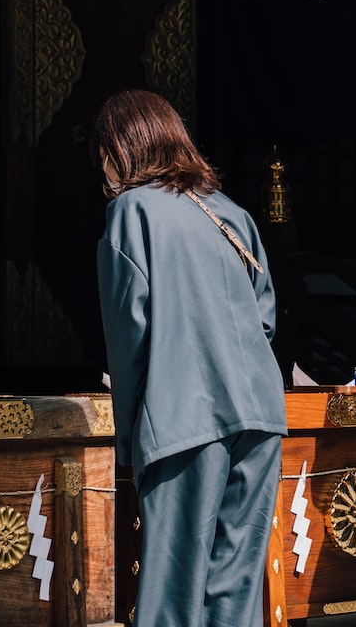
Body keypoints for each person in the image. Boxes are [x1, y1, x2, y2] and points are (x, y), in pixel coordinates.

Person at [93, 89, 287, 626]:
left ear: (122, 147)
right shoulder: (233, 214)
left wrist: (128, 444)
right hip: (261, 415)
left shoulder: (131, 212)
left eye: (104, 155)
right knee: (236, 588)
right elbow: (265, 319)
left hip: (185, 419)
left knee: (173, 591)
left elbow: (129, 337)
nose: (103, 170)